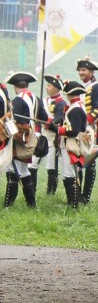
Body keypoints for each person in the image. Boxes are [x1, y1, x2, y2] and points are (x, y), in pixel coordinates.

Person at [4, 71, 47, 209]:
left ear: (16, 86)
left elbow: (19, 124)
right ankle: (32, 205)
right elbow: (44, 118)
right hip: (31, 140)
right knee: (24, 171)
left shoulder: (17, 100)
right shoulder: (36, 99)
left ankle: (7, 206)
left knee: (13, 171)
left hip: (20, 140)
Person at [76, 57, 98, 204]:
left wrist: (86, 122)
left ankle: (86, 197)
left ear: (91, 71)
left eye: (84, 70)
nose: (81, 73)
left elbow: (97, 108)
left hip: (90, 126)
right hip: (78, 126)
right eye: (80, 70)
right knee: (78, 160)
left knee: (90, 160)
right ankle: (77, 195)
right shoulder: (78, 86)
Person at [56, 80, 88, 209]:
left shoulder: (75, 109)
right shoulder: (77, 106)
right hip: (71, 142)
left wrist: (58, 130)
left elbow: (74, 130)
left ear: (69, 94)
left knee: (69, 173)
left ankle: (73, 204)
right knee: (69, 173)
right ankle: (72, 202)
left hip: (71, 143)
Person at [42, 74, 69, 195]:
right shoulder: (44, 101)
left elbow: (58, 121)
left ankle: (50, 191)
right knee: (33, 163)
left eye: (49, 85)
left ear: (56, 88)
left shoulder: (61, 103)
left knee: (51, 165)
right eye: (47, 85)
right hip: (41, 135)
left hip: (53, 138)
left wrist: (47, 123)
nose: (47, 88)